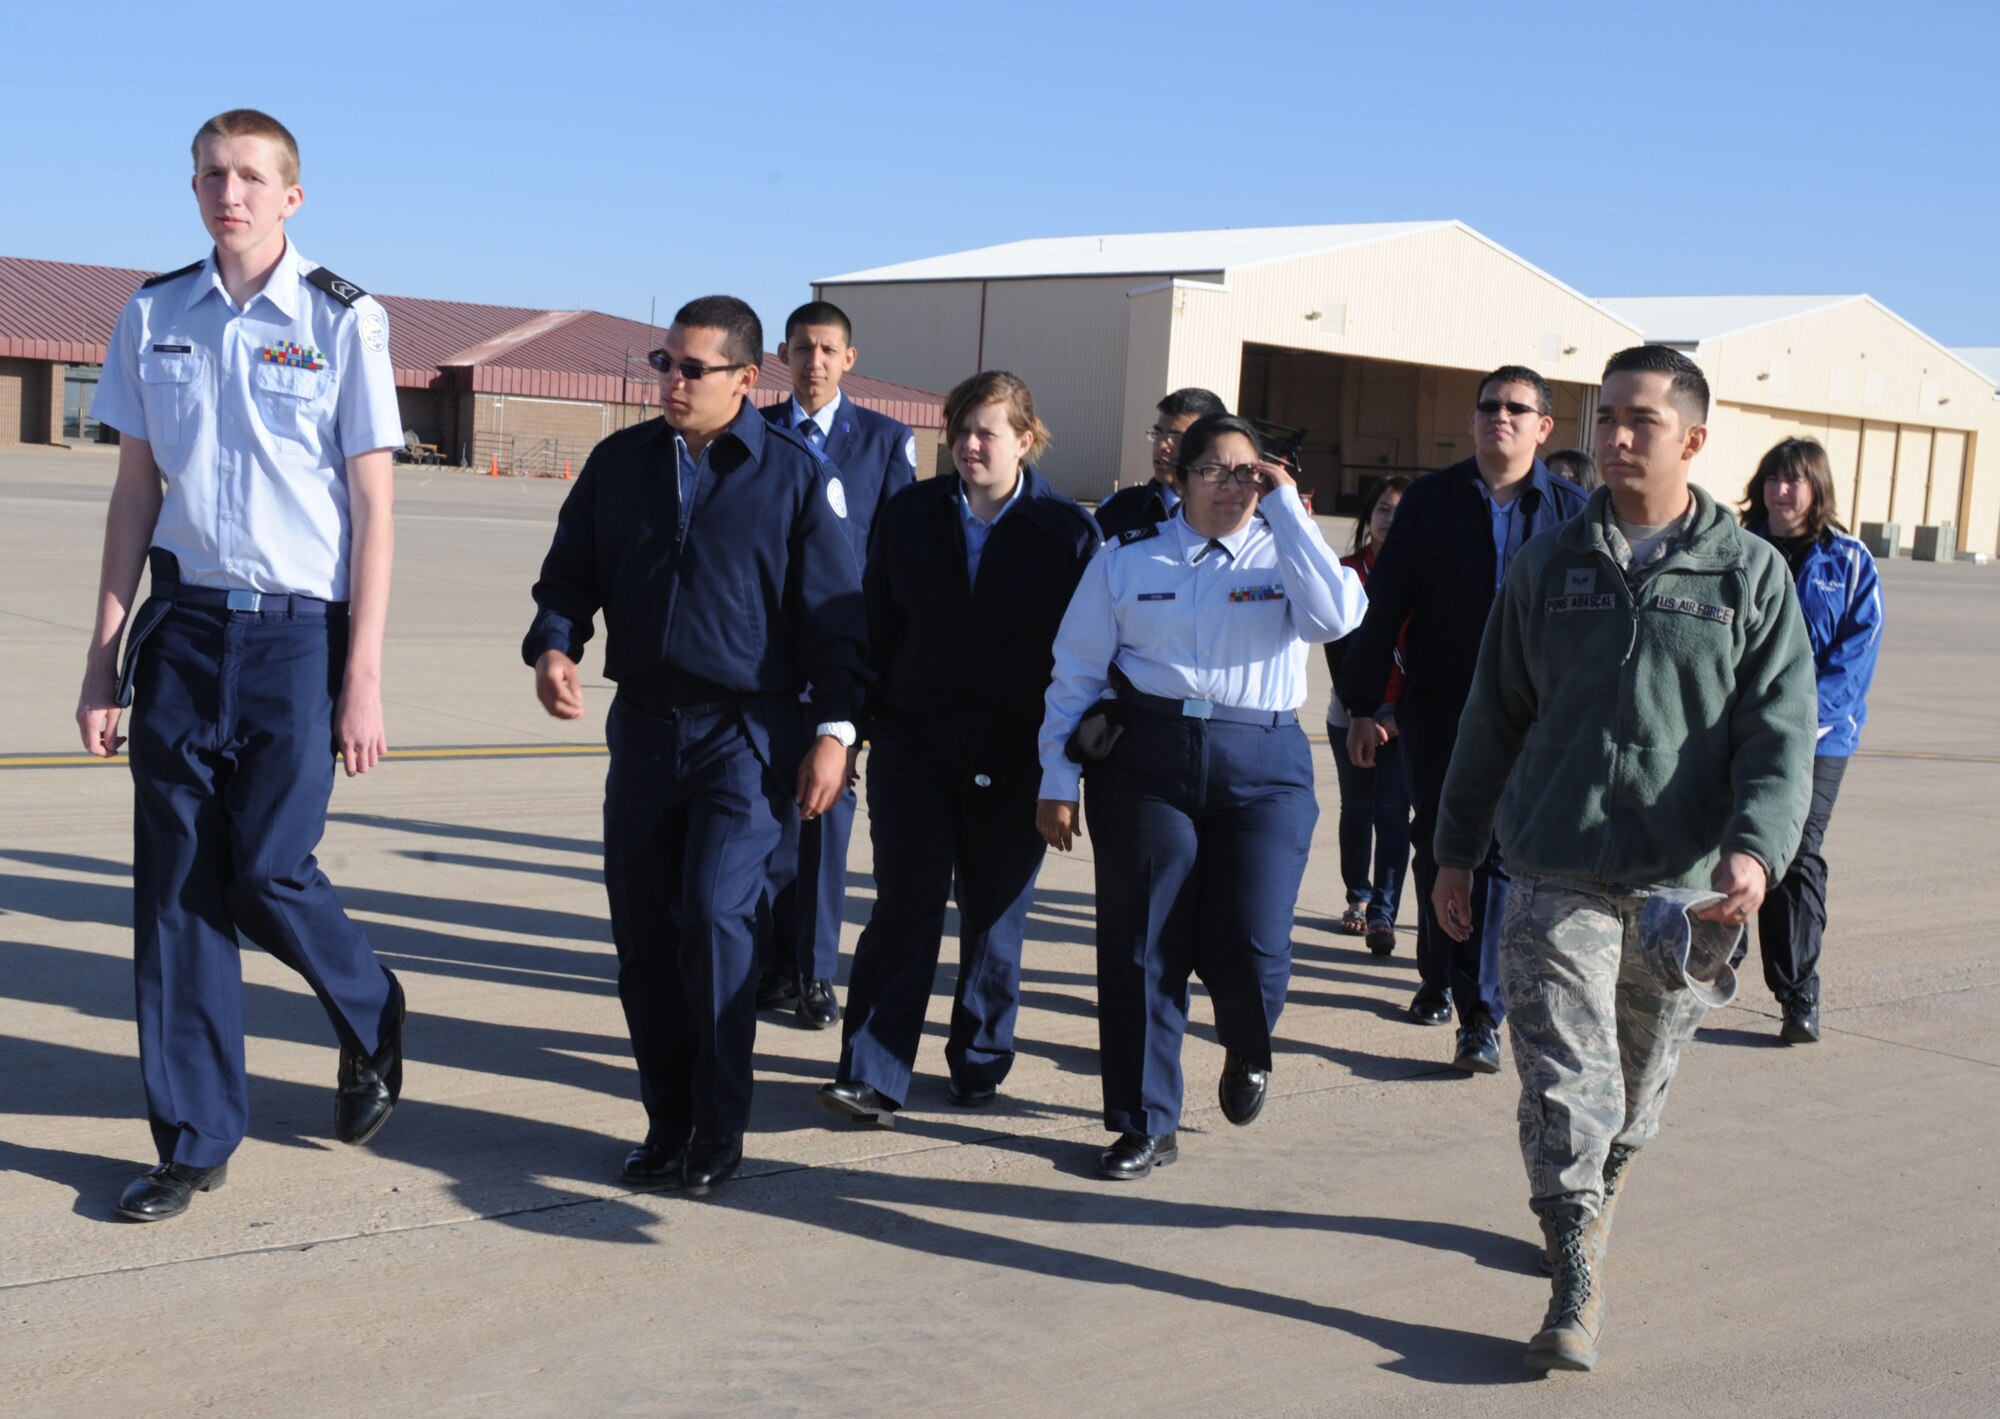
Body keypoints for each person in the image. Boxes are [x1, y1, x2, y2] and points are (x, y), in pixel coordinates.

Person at [1433, 344, 1815, 1371]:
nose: (1610, 437)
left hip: (1681, 884)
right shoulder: (1549, 567)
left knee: (1635, 1087)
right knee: (1564, 1080)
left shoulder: (1748, 576)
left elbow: (1778, 735)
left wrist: (1754, 854)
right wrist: (1455, 851)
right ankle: (1572, 1279)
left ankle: (1595, 1202)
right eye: (1601, 417)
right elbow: (1491, 714)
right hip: (1552, 861)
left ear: (1691, 438)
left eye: (1636, 420)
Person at [74, 109, 407, 1222]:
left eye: (253, 177)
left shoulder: (342, 321)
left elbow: (372, 506)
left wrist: (361, 674)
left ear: (291, 197)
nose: (232, 192)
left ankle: (370, 1006)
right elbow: (135, 494)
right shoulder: (153, 312)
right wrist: (103, 656)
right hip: (183, 633)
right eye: (213, 174)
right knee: (175, 892)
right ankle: (193, 1138)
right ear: (196, 187)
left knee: (266, 869)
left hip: (295, 639)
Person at [524, 295, 866, 1196]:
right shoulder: (620, 464)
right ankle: (666, 1121)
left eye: (692, 369)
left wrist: (834, 732)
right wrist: (557, 644)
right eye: (662, 364)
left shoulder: (794, 476)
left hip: (745, 738)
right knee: (642, 935)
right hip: (642, 730)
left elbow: (838, 623)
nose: (671, 382)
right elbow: (568, 576)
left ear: (748, 380)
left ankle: (720, 1124)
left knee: (715, 924)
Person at [1037, 414, 1368, 1180]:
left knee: (1256, 943)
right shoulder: (1126, 558)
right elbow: (1077, 671)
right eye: (1213, 470)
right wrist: (1056, 779)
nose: (1233, 484)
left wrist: (1287, 510)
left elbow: (1337, 618)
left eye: (1249, 470)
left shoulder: (1286, 548)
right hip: (1147, 761)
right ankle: (1144, 1121)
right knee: (1141, 945)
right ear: (1179, 478)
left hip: (1263, 764)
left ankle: (1248, 1045)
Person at [816, 372, 1099, 1125]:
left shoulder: (1070, 534)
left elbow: (1086, 662)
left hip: (1016, 755)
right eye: (961, 429)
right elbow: (873, 627)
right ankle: (872, 1070)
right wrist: (847, 731)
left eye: (988, 432)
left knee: (993, 914)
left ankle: (978, 1056)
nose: (970, 445)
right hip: (915, 743)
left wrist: (1064, 771)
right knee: (905, 905)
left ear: (1025, 441)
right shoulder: (909, 516)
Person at [1340, 366, 1587, 1073]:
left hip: (1536, 717)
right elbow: (1384, 604)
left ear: (1543, 427)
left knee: (1499, 853)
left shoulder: (1573, 509)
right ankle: (1437, 973)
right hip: (1440, 707)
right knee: (1439, 841)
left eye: (1517, 408)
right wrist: (1364, 705)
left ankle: (1481, 1013)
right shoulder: (1429, 501)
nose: (1499, 417)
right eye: (1488, 406)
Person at [756, 301, 920, 1030]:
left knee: (825, 820)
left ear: (849, 358)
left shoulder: (884, 442)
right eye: (800, 349)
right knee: (763, 821)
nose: (813, 361)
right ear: (781, 357)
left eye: (826, 349)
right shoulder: (754, 432)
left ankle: (815, 971)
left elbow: (896, 563)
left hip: (842, 664)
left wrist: (873, 680)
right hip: (763, 660)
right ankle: (768, 963)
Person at [1738, 436, 1883, 1043]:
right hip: (1732, 728)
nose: (1782, 490)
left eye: (1795, 480)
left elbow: (1854, 656)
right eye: (1773, 478)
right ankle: (1708, 963)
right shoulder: (1733, 549)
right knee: (1721, 843)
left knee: (1795, 856)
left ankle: (1798, 995)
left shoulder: (1848, 561)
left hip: (1819, 738)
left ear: (1817, 489)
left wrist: (1796, 717)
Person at [1324, 476, 1413, 955]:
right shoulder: (1345, 572)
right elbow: (1337, 653)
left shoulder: (1426, 576)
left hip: (1405, 716)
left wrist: (1397, 718)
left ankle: (1384, 913)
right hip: (1350, 713)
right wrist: (1361, 711)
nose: (1389, 518)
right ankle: (1356, 898)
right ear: (1368, 516)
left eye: (1400, 510)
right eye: (1382, 508)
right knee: (1357, 809)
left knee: (1393, 814)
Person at [1093, 388, 1228, 539]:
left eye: (1176, 436)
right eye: (1158, 434)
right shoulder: (1117, 512)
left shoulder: (1234, 514)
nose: (1161, 446)